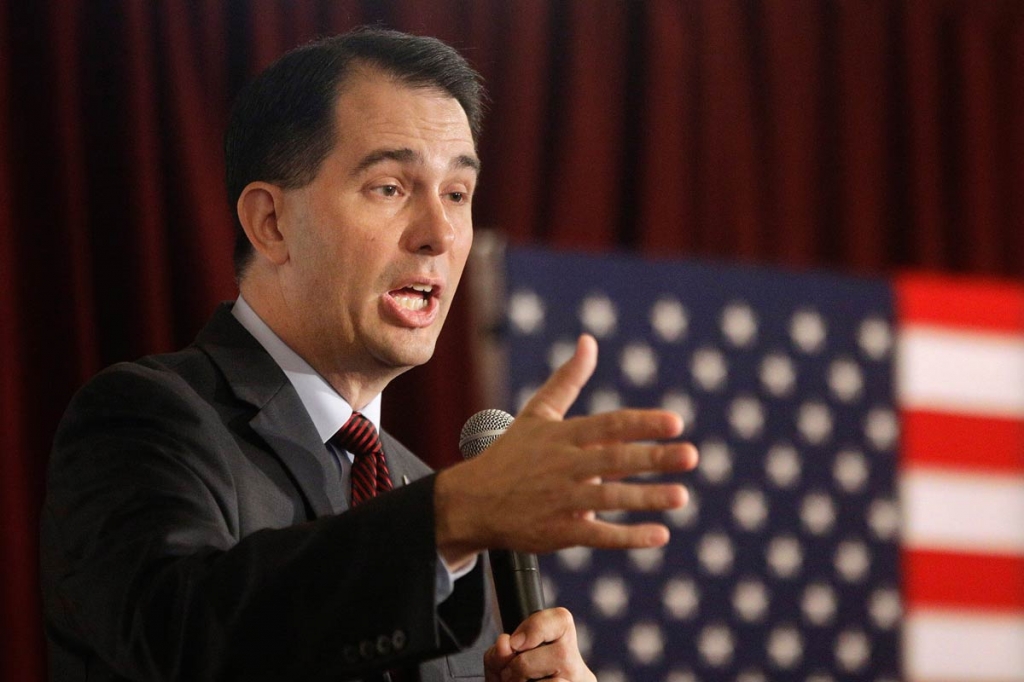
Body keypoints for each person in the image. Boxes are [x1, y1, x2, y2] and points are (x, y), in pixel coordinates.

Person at [40, 28, 699, 682]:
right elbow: (184, 635)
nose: (440, 234)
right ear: (271, 223)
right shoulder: (148, 418)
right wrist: (453, 515)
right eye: (389, 187)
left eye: (458, 195)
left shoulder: (417, 491)